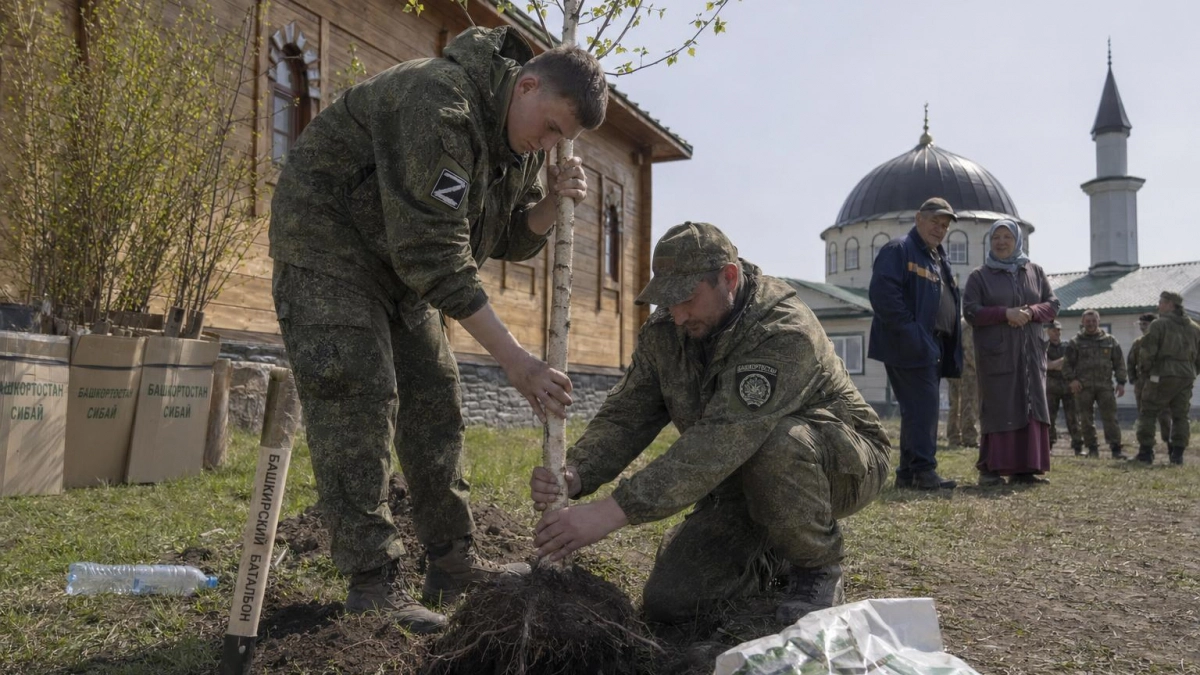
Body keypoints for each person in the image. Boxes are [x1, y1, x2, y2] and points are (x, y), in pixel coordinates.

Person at [268, 26, 609, 632]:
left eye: (564, 139)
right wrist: (515, 360)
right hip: (330, 246)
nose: (549, 144)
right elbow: (436, 253)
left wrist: (553, 203)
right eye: (552, 127)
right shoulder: (439, 101)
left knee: (434, 399)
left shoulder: (518, 145)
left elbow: (503, 238)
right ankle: (372, 583)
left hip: (401, 270)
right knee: (359, 396)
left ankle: (452, 561)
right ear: (526, 85)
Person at [528, 222, 891, 625]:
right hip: (739, 478)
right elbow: (627, 413)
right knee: (672, 601)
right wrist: (578, 471)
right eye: (667, 300)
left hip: (839, 464)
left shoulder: (783, 331)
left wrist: (612, 512)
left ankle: (816, 565)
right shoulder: (668, 329)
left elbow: (721, 440)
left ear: (728, 278)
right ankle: (773, 546)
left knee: (778, 445)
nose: (677, 314)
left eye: (686, 297)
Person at [868, 197, 962, 490]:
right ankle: (923, 470)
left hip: (932, 344)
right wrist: (915, 335)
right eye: (935, 221)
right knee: (924, 407)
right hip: (909, 345)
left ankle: (909, 473)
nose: (940, 228)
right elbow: (885, 297)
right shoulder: (900, 250)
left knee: (918, 409)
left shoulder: (937, 258)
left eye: (945, 225)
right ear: (919, 218)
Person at [962, 219, 1060, 485]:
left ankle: (1025, 468)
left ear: (1018, 241)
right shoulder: (979, 276)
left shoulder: (1035, 272)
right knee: (1000, 406)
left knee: (1031, 406)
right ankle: (991, 469)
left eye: (1007, 237)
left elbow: (1052, 304)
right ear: (990, 242)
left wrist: (1030, 312)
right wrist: (1005, 314)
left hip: (1031, 354)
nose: (1002, 242)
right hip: (998, 355)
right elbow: (971, 310)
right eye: (996, 237)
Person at [1132, 292, 1200, 465]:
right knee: (1180, 415)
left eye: (1161, 302)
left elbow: (1147, 352)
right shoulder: (1195, 327)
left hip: (1161, 374)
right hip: (1186, 375)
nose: (1158, 306)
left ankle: (1146, 452)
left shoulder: (1158, 325)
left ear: (1170, 304)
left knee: (1148, 411)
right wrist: (1191, 371)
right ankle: (1177, 455)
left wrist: (1146, 372)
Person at [1064, 310, 1127, 459]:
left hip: (1105, 385)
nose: (1091, 324)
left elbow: (1119, 363)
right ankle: (1092, 448)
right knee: (1086, 419)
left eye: (1093, 321)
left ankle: (1115, 449)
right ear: (1083, 322)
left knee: (1110, 418)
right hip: (1083, 387)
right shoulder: (1075, 342)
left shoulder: (1110, 341)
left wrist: (1121, 382)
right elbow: (1067, 365)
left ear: (1098, 322)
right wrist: (1072, 380)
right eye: (1088, 321)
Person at [1128, 312, 1172, 448]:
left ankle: (1169, 442)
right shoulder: (1138, 343)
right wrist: (1134, 380)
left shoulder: (1164, 341)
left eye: (1145, 324)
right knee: (1144, 416)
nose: (1142, 327)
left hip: (1161, 384)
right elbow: (1131, 362)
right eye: (1140, 324)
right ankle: (1146, 445)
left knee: (1165, 415)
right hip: (1143, 384)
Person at [1045, 320, 1082, 455]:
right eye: (1054, 330)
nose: (1057, 332)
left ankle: (1078, 445)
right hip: (1051, 386)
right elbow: (1047, 366)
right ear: (1048, 331)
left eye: (1058, 330)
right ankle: (1047, 446)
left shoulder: (1068, 346)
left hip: (1067, 385)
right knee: (1049, 418)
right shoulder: (1043, 347)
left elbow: (1075, 365)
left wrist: (1058, 364)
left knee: (1073, 416)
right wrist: (1062, 362)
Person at [945, 316, 978, 448]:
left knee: (955, 405)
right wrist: (981, 369)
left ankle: (953, 437)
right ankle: (969, 438)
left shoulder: (959, 323)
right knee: (969, 405)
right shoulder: (968, 325)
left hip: (955, 369)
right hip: (967, 372)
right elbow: (969, 351)